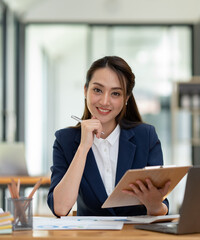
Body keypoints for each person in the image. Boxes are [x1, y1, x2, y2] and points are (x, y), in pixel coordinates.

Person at [47, 56, 170, 217]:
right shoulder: (66, 140)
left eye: (116, 93)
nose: (105, 101)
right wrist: (83, 148)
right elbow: (60, 209)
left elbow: (162, 208)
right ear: (85, 90)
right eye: (98, 90)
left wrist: (154, 205)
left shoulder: (145, 136)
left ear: (126, 98)